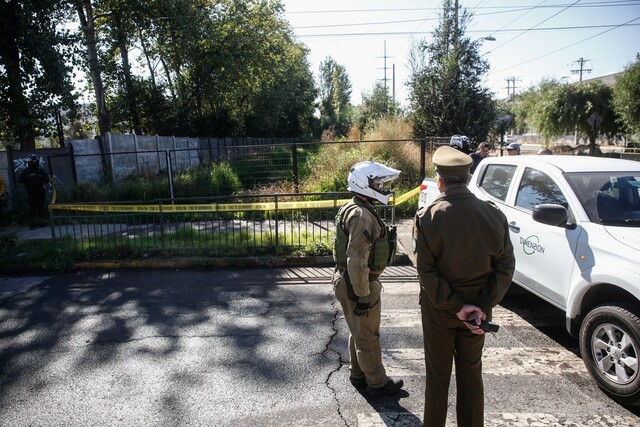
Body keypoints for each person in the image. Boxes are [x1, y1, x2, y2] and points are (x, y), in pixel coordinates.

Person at [412, 146, 515, 427]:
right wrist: (481, 305)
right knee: (471, 375)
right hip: (478, 315)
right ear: (469, 179)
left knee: (437, 377)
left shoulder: (428, 217)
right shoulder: (494, 216)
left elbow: (426, 271)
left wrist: (456, 306)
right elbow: (505, 267)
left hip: (439, 312)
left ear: (440, 181)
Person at [332, 160, 404, 395]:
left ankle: (358, 373)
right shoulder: (361, 214)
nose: (381, 186)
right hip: (359, 282)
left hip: (350, 280)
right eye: (377, 181)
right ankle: (378, 383)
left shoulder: (354, 207)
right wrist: (362, 294)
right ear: (364, 184)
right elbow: (357, 259)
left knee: (359, 330)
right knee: (368, 335)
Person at [18, 154, 50, 227]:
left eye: (35, 162)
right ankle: (33, 223)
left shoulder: (40, 170)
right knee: (32, 209)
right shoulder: (26, 171)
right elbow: (20, 179)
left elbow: (47, 179)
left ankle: (42, 223)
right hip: (31, 193)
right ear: (29, 162)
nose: (34, 163)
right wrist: (27, 178)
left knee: (41, 208)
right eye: (33, 162)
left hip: (40, 192)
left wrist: (42, 178)